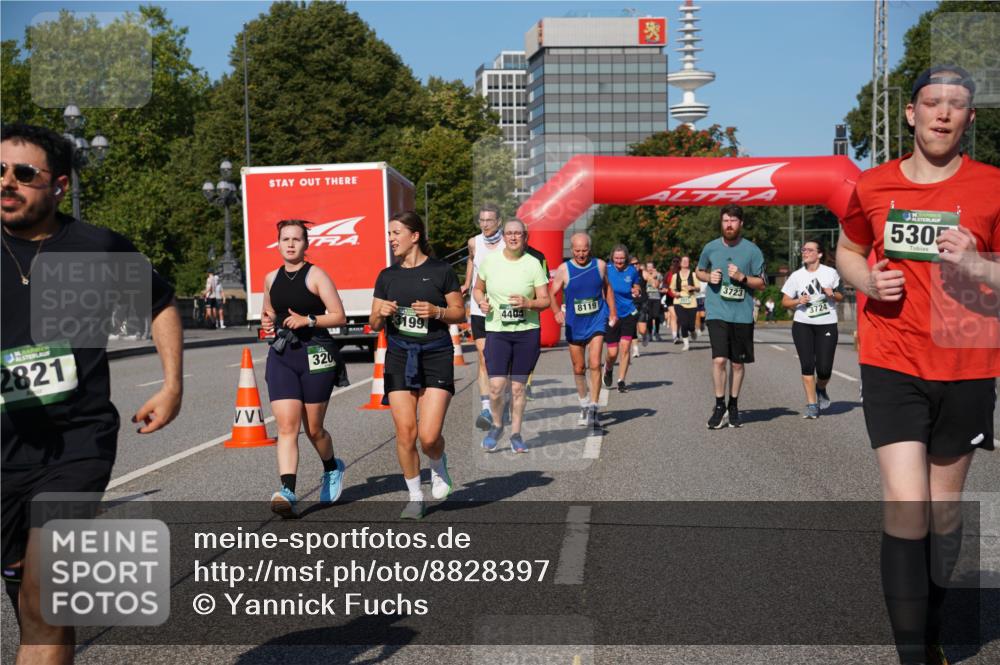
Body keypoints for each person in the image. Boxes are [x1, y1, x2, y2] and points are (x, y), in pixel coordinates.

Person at [1, 123, 183, 663]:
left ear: (58, 185)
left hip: (76, 444)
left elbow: (159, 305)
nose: (7, 182)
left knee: (42, 596)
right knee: (32, 609)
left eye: (23, 173)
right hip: (5, 450)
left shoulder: (95, 246)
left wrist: (173, 385)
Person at [836, 65, 999, 665]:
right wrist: (866, 280)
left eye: (956, 105)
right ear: (911, 113)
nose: (942, 113)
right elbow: (850, 251)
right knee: (906, 505)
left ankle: (928, 629)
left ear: (969, 119)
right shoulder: (873, 186)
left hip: (966, 359)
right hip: (892, 356)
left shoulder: (993, 186)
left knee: (944, 509)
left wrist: (982, 266)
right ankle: (912, 654)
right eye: (932, 102)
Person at [370, 211, 465, 519]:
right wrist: (380, 313)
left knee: (428, 436)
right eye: (388, 234)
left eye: (395, 232)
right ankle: (415, 496)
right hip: (399, 355)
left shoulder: (441, 270)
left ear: (415, 236)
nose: (390, 238)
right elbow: (372, 325)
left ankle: (438, 464)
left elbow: (458, 312)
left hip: (436, 354)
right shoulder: (387, 276)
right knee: (405, 433)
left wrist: (437, 312)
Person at [261, 219, 347, 518]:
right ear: (278, 243)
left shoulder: (316, 275)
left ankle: (332, 467)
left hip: (316, 354)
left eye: (297, 239)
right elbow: (268, 312)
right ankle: (287, 490)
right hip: (283, 356)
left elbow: (339, 316)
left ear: (306, 245)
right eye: (285, 239)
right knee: (286, 426)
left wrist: (308, 320)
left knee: (313, 428)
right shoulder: (271, 278)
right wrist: (267, 323)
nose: (290, 244)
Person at [472, 219, 550, 453]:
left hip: (526, 333)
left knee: (517, 388)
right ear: (503, 236)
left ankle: (516, 433)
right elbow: (477, 289)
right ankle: (497, 425)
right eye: (509, 233)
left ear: (525, 236)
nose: (513, 237)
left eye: (518, 233)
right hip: (497, 331)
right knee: (496, 386)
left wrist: (529, 303)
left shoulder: (533, 264)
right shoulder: (490, 262)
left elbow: (545, 301)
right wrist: (481, 301)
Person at [696, 205, 766, 429]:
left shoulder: (752, 251)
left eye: (733, 221)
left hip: (742, 314)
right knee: (719, 359)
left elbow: (762, 283)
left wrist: (743, 277)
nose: (729, 225)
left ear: (741, 224)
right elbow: (699, 270)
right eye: (725, 220)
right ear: (721, 222)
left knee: (737, 364)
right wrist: (709, 277)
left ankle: (733, 405)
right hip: (717, 311)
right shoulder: (711, 247)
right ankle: (719, 405)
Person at [549, 232, 616, 430]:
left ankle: (594, 408)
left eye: (584, 250)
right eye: (577, 251)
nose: (581, 254)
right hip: (574, 323)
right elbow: (552, 293)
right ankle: (584, 403)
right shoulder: (564, 269)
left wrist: (612, 311)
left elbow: (608, 288)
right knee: (579, 368)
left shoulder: (600, 265)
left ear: (590, 248)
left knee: (594, 363)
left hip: (596, 320)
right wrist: (555, 312)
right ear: (571, 250)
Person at [781, 239, 843, 418]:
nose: (804, 252)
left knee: (824, 369)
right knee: (807, 365)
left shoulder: (831, 273)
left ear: (819, 254)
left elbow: (840, 296)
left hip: (827, 324)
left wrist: (832, 293)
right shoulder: (796, 276)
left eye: (809, 250)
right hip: (802, 324)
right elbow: (785, 301)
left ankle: (820, 388)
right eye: (803, 250)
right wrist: (797, 301)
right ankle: (811, 404)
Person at [462, 203, 505, 430]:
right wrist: (468, 283)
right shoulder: (474, 242)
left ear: (498, 221)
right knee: (484, 355)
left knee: (501, 357)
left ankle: (501, 395)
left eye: (490, 220)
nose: (485, 224)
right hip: (480, 308)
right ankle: (487, 407)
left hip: (502, 309)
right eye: (482, 220)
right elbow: (471, 259)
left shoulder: (508, 243)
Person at [603, 246, 642, 392]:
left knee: (625, 348)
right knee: (612, 352)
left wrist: (636, 290)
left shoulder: (632, 271)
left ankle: (621, 381)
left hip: (628, 313)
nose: (619, 261)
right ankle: (608, 368)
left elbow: (636, 285)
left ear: (626, 258)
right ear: (612, 257)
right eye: (616, 258)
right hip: (611, 314)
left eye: (622, 258)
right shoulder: (606, 269)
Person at [670, 255, 702, 351]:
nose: (685, 263)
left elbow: (699, 288)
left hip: (691, 302)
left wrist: (693, 288)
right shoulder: (675, 276)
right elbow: (672, 288)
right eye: (683, 261)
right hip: (679, 302)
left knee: (691, 325)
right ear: (680, 263)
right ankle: (686, 344)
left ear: (689, 263)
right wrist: (675, 293)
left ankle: (692, 331)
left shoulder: (693, 275)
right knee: (683, 323)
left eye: (687, 261)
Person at [643, 261, 664, 343]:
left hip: (656, 298)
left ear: (654, 267)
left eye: (651, 267)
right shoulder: (644, 275)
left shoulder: (658, 275)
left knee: (656, 316)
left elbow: (658, 286)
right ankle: (649, 334)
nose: (650, 269)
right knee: (649, 317)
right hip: (647, 298)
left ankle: (657, 333)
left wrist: (655, 277)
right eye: (648, 267)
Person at [664, 256, 681, 343]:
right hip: (670, 297)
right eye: (674, 262)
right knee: (674, 316)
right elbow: (664, 284)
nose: (675, 263)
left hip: (681, 297)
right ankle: (675, 336)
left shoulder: (682, 273)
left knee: (679, 318)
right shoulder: (668, 274)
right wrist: (665, 289)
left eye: (677, 262)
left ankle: (677, 333)